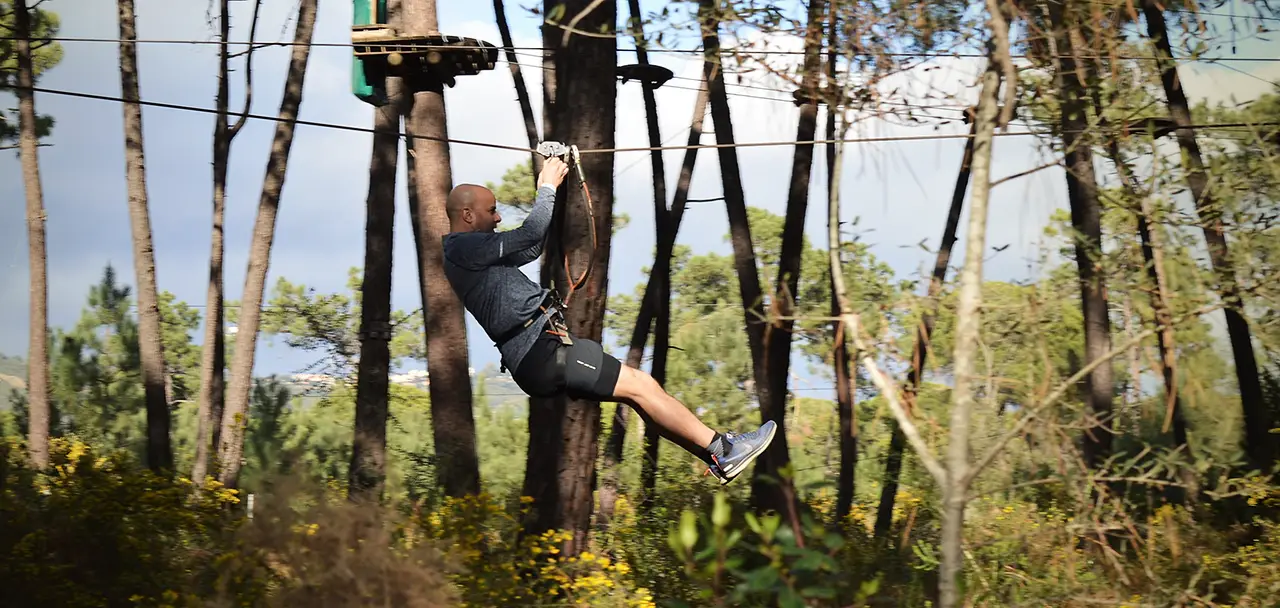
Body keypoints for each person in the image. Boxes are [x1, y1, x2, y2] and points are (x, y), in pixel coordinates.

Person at [440, 156, 776, 484]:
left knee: (639, 393)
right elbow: (529, 234)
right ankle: (724, 448)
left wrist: (550, 192)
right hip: (541, 353)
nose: (498, 217)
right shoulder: (463, 247)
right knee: (641, 386)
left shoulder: (470, 251)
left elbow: (529, 249)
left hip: (541, 352)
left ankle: (717, 455)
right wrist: (547, 187)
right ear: (467, 215)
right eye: (491, 210)